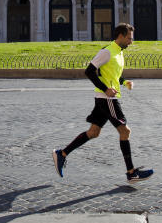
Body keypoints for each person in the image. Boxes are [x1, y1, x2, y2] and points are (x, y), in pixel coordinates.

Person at [53, 23, 153, 182]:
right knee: (125, 131)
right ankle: (131, 172)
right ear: (120, 36)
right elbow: (89, 71)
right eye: (129, 38)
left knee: (93, 132)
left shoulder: (119, 53)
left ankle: (62, 154)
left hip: (105, 99)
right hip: (108, 99)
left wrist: (124, 81)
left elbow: (113, 75)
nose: (131, 42)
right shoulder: (107, 52)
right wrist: (105, 88)